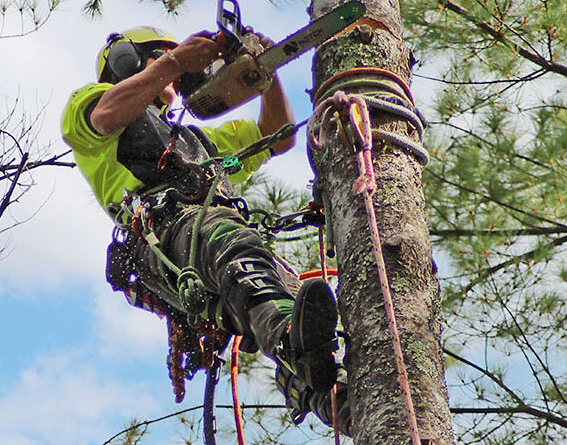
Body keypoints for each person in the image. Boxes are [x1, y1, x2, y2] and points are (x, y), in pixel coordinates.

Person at [60, 26, 350, 434]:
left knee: (273, 286)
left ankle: (329, 394)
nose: (175, 76)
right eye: (158, 58)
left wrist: (264, 73)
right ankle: (292, 341)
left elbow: (278, 134)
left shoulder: (196, 140)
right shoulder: (90, 104)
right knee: (229, 242)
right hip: (165, 235)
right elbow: (107, 117)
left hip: (208, 251)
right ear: (127, 61)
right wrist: (176, 60)